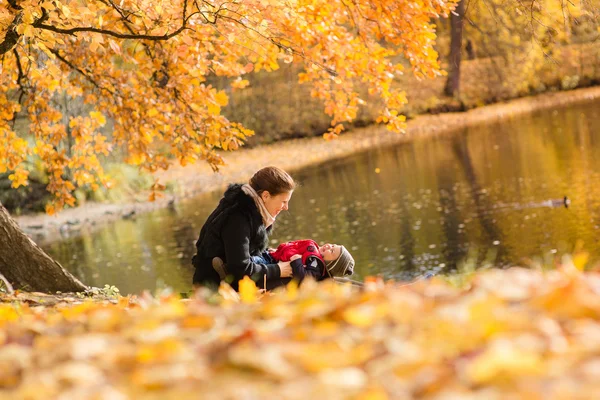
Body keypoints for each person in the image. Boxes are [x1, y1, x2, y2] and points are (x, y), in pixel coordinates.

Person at [191, 166, 296, 291]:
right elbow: (240, 269)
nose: (286, 207)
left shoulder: (254, 212)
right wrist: (278, 270)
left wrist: (267, 254)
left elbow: (245, 255)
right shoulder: (238, 217)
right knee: (299, 278)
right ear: (266, 196)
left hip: (236, 278)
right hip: (216, 285)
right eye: (283, 201)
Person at [213, 239, 356, 285]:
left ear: (330, 264)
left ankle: (228, 269)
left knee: (254, 262)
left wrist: (297, 261)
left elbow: (304, 277)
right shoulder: (315, 254)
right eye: (333, 246)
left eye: (332, 252)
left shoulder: (316, 266)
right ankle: (230, 261)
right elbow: (294, 247)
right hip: (275, 257)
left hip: (275, 266)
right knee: (257, 254)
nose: (329, 247)